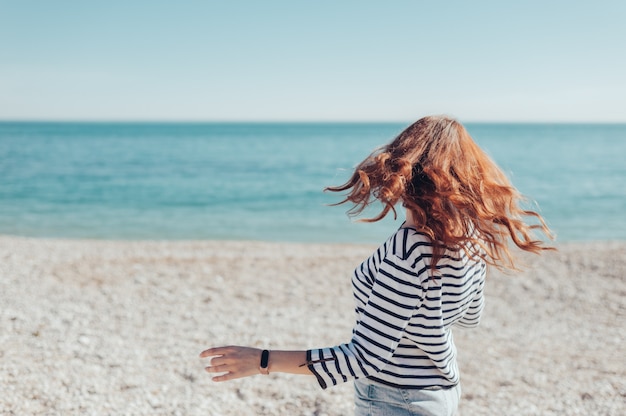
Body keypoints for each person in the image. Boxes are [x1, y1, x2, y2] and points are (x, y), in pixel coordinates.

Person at [199, 115, 554, 416]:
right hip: (441, 393)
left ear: (407, 167)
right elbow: (468, 316)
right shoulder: (471, 237)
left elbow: (364, 357)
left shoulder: (410, 249)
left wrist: (262, 360)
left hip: (395, 399)